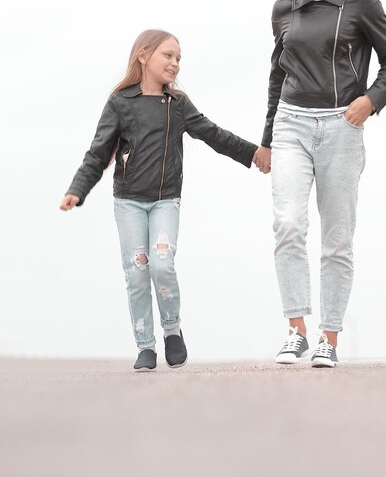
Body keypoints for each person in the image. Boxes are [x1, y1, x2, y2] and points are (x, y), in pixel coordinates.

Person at [252, 0, 386, 367]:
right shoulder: (284, 10)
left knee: (337, 239)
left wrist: (371, 102)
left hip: (342, 127)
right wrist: (266, 141)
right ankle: (296, 328)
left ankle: (329, 338)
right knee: (288, 224)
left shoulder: (359, 0)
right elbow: (277, 75)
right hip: (291, 123)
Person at [60, 30, 258, 371]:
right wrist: (77, 189)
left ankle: (172, 330)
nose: (175, 63)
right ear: (143, 56)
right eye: (167, 55)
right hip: (129, 204)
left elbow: (213, 134)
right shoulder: (120, 102)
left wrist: (254, 153)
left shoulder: (178, 105)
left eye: (178, 58)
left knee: (162, 265)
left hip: (166, 200)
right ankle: (145, 346)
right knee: (137, 273)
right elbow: (98, 152)